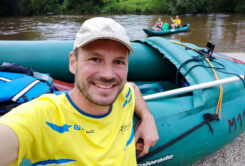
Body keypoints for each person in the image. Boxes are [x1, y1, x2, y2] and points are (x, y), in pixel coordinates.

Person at [0, 17, 159, 165]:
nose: (108, 74)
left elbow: (132, 89)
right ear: (73, 62)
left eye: (119, 62)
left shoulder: (123, 95)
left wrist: (147, 118)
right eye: (95, 59)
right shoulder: (43, 116)